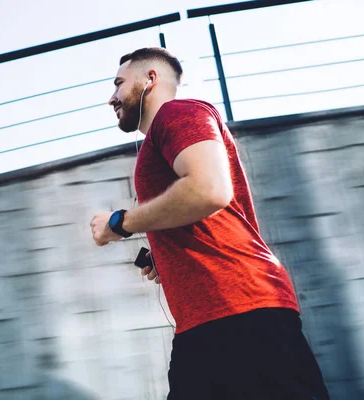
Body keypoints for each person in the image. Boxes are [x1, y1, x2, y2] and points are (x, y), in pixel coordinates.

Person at [89, 47, 330, 400]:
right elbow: (204, 209)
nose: (112, 97)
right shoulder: (164, 133)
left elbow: (208, 189)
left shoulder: (178, 113)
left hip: (238, 313)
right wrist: (168, 255)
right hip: (210, 322)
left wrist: (119, 223)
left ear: (150, 79)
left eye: (119, 84)